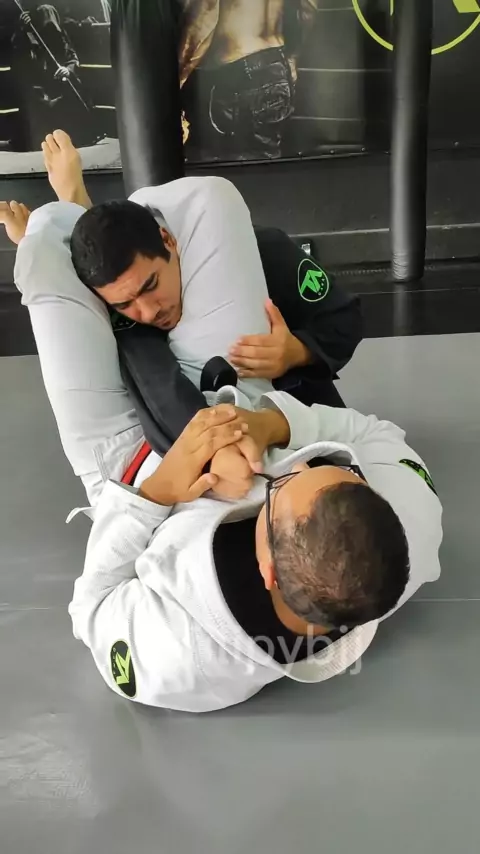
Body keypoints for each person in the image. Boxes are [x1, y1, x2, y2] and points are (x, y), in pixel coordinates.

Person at [0, 149, 442, 714]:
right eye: (314, 464)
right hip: (236, 398)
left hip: (128, 466)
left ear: (265, 567)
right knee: (209, 200)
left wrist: (155, 492)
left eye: (281, 484)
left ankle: (72, 223)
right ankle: (93, 232)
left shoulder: (180, 658)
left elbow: (92, 608)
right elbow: (374, 435)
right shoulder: (410, 531)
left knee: (43, 243)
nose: (286, 466)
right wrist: (271, 425)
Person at [1, 129, 361, 501]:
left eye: (152, 285)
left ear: (169, 240)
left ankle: (76, 202)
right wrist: (41, 249)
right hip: (193, 444)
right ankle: (76, 206)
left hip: (298, 415)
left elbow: (344, 318)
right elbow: (154, 381)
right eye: (126, 303)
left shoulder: (260, 252)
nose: (149, 311)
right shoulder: (123, 313)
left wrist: (297, 351)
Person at [180, 0, 320, 160]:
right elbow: (307, 8)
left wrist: (177, 79)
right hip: (277, 66)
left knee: (225, 163)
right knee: (264, 158)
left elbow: (205, 16)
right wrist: (293, 57)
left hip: (237, 74)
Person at [10, 4, 92, 149]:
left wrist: (67, 70)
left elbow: (72, 58)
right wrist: (23, 30)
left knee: (72, 97)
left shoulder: (61, 37)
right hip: (39, 90)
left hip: (59, 88)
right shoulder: (29, 37)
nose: (50, 30)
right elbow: (18, 54)